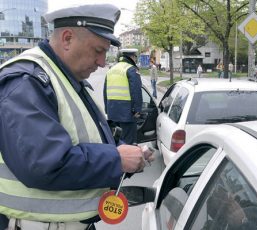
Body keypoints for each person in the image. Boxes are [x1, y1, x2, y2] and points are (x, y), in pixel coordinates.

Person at [0, 4, 152, 230]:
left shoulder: (63, 76)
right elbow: (44, 164)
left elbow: (82, 139)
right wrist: (116, 158)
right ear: (67, 38)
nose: (102, 62)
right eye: (98, 51)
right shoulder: (26, 82)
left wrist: (126, 153)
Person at [104, 48, 143, 145]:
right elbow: (136, 91)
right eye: (135, 57)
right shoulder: (131, 69)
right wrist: (137, 110)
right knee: (129, 142)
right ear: (132, 57)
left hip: (112, 112)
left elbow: (105, 92)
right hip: (128, 114)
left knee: (116, 141)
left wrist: (107, 109)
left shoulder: (111, 70)